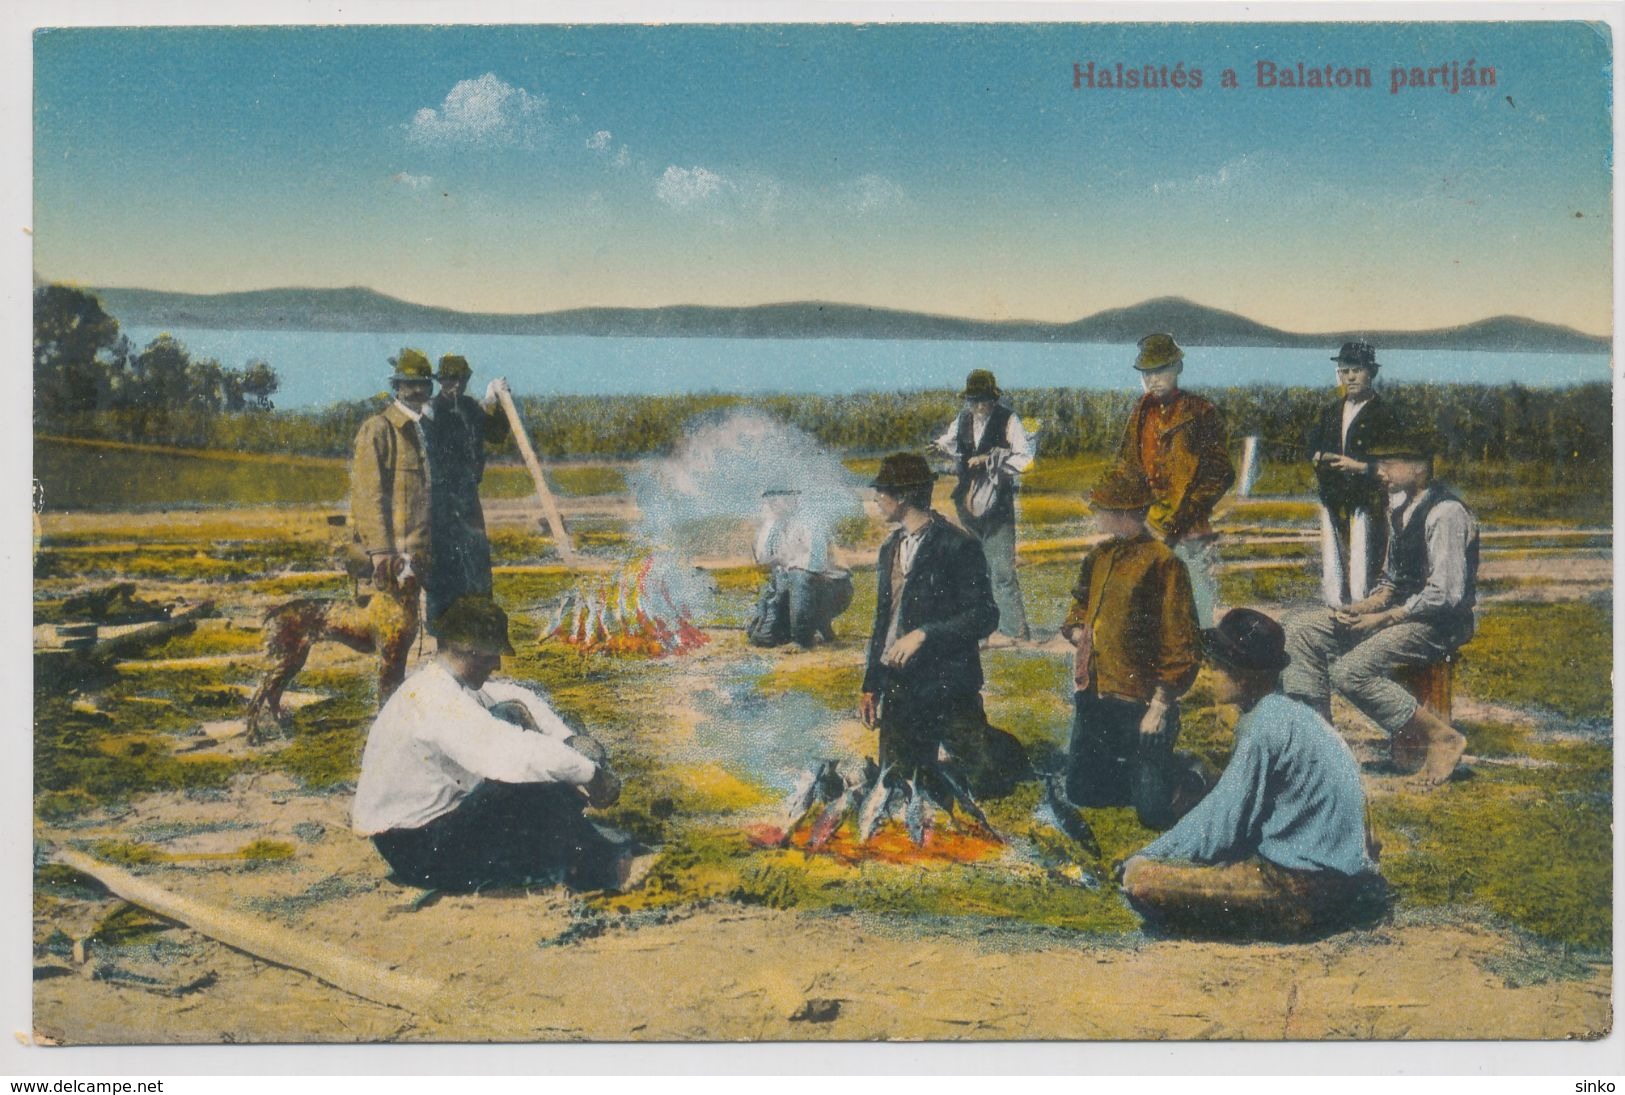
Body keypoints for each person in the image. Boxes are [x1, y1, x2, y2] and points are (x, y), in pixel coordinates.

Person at [1120, 608, 1387, 940]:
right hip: (1348, 874)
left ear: (1242, 675)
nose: (1209, 670)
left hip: (1301, 887)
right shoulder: (1292, 713)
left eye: (1216, 666)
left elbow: (1224, 820)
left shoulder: (1263, 726)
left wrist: (1149, 855)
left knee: (1142, 882)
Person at [351, 596, 635, 892]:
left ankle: (576, 843)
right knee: (525, 782)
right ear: (471, 651)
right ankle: (604, 869)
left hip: (423, 834)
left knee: (525, 731)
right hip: (418, 851)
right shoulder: (435, 700)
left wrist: (567, 738)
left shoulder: (440, 683)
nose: (497, 664)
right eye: (491, 656)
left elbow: (517, 697)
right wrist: (590, 774)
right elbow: (513, 756)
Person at [1281, 432, 1475, 786]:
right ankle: (1321, 746)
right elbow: (1390, 581)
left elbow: (1446, 594)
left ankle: (1442, 738)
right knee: (1300, 630)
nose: (1380, 471)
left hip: (1437, 624)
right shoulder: (1399, 509)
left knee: (1349, 672)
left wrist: (1384, 617)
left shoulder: (1446, 513)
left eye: (1389, 463)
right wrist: (1363, 608)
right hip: (1399, 615)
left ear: (1418, 469)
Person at [858, 452, 1028, 799]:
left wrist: (924, 635)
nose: (876, 499)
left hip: (948, 686)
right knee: (901, 783)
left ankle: (999, 746)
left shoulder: (958, 545)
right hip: (902, 690)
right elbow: (883, 623)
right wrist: (871, 685)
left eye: (881, 492)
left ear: (902, 496)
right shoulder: (890, 548)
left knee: (987, 783)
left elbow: (984, 615)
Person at [1060, 468, 1204, 830]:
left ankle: (1191, 772)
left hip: (1141, 702)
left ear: (1124, 512)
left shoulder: (1163, 563)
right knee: (1082, 793)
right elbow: (1079, 602)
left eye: (1102, 508)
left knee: (1154, 815)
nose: (1096, 514)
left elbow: (1181, 644)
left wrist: (1160, 705)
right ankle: (1137, 773)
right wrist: (1078, 629)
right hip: (1096, 696)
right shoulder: (1099, 555)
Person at [1113, 333, 1236, 627]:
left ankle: (1205, 658)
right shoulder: (1141, 411)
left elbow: (1221, 472)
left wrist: (1186, 510)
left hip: (1189, 526)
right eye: (1146, 373)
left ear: (1177, 368)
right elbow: (1127, 464)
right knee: (1150, 604)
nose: (1152, 379)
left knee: (1196, 601)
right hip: (1147, 523)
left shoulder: (1200, 412)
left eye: (1160, 370)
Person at [932, 369, 1034, 646]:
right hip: (967, 505)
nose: (980, 406)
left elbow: (1025, 459)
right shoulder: (963, 420)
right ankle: (990, 628)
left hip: (997, 507)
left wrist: (991, 460)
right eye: (975, 400)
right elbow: (949, 443)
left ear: (993, 398)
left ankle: (1015, 630)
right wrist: (938, 448)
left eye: (984, 400)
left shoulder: (1008, 420)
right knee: (979, 569)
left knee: (1001, 570)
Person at [1306, 341, 1403, 606]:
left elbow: (1396, 465)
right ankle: (1336, 614)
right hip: (1333, 498)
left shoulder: (1385, 414)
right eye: (1344, 370)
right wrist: (1319, 457)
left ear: (1371, 372)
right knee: (1333, 565)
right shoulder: (1330, 413)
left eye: (1357, 370)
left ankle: (1363, 613)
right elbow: (1312, 447)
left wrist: (1358, 467)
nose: (1349, 377)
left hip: (1368, 501)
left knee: (1364, 565)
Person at [424, 354, 511, 629]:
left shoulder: (471, 408)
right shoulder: (431, 411)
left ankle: (477, 625)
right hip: (441, 498)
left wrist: (497, 402)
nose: (456, 385)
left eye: (461, 380)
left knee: (475, 560)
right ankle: (441, 627)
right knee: (444, 562)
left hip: (468, 495)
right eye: (450, 380)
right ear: (441, 381)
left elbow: (496, 434)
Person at [350, 348, 437, 596]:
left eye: (422, 384)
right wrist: (380, 553)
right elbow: (367, 498)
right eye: (408, 384)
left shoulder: (429, 430)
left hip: (422, 561)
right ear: (397, 387)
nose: (416, 390)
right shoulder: (379, 429)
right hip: (391, 564)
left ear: (430, 388)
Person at [745, 489, 854, 649]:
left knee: (798, 576)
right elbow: (761, 560)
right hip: (792, 588)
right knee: (761, 637)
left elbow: (810, 568)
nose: (772, 503)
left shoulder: (811, 521)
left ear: (793, 500)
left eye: (777, 499)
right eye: (770, 500)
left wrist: (781, 567)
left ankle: (802, 640)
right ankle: (817, 626)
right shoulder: (773, 524)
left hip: (833, 590)